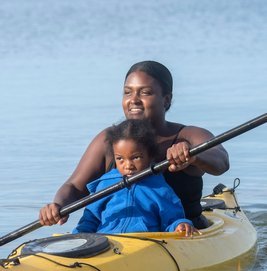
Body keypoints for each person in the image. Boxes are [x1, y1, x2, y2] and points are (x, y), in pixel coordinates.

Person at [39, 60, 229, 229]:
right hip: (120, 241)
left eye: (145, 92)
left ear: (166, 99)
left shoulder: (188, 135)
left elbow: (221, 161)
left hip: (182, 233)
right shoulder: (110, 139)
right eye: (127, 92)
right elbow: (74, 186)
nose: (133, 100)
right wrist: (57, 206)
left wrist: (194, 156)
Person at [73, 119, 196, 236]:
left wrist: (180, 224)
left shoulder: (160, 188)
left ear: (150, 156)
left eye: (136, 157)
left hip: (145, 243)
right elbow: (90, 220)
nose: (128, 166)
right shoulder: (105, 184)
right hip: (107, 242)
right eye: (120, 158)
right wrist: (78, 237)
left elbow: (172, 220)